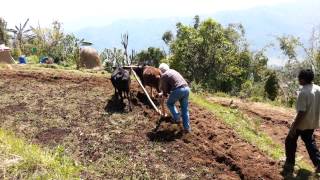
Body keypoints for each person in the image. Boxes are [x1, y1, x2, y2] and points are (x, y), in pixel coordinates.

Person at [284, 69, 320, 174]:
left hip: (302, 124)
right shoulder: (318, 88)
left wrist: (294, 127)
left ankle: (289, 164)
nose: (298, 79)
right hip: (312, 122)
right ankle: (318, 162)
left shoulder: (304, 92)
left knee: (290, 141)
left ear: (303, 80)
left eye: (299, 77)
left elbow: (301, 113)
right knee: (310, 142)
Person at [158, 63, 191, 133]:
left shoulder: (164, 75)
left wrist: (162, 95)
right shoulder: (173, 71)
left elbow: (165, 90)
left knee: (169, 103)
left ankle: (177, 117)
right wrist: (165, 93)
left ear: (161, 70)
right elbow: (172, 85)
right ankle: (187, 128)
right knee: (185, 109)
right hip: (187, 89)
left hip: (179, 90)